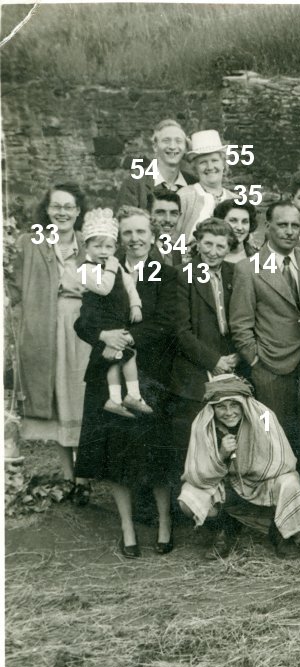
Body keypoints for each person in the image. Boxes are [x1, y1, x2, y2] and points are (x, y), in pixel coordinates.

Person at [74, 207, 180, 558]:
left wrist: (126, 338)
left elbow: (165, 321)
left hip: (150, 369)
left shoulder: (164, 274)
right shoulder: (103, 267)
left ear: (152, 236)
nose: (135, 239)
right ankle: (127, 527)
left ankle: (164, 523)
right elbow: (82, 321)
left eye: (141, 232)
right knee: (116, 451)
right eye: (129, 233)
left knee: (156, 451)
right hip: (108, 365)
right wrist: (104, 335)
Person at [7, 183, 92, 500]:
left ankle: (84, 476)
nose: (62, 213)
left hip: (83, 328)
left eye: (68, 207)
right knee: (57, 399)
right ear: (47, 210)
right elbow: (12, 287)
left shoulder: (88, 243)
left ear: (78, 211)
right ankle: (71, 479)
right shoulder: (29, 243)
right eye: (56, 207)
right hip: (46, 328)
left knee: (81, 398)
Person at [228, 201, 300, 485]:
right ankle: (275, 498)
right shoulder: (248, 269)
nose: (290, 231)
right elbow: (240, 324)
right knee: (274, 434)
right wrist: (256, 362)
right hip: (270, 364)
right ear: (268, 226)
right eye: (283, 225)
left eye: (296, 225)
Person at [178, 374, 300, 559]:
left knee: (289, 481)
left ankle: (283, 535)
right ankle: (224, 530)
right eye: (221, 406)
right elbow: (198, 472)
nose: (229, 412)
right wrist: (222, 454)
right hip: (226, 483)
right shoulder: (203, 424)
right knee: (187, 497)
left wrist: (248, 460)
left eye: (234, 404)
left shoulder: (265, 416)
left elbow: (278, 454)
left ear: (244, 402)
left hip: (261, 479)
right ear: (212, 407)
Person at [171, 217, 243, 475]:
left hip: (233, 362)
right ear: (198, 244)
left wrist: (237, 354)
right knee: (198, 441)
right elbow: (180, 331)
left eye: (220, 246)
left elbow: (244, 318)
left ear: (229, 247)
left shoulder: (235, 273)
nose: (213, 252)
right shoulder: (183, 275)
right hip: (196, 368)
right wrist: (214, 361)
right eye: (208, 244)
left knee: (232, 439)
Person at [74, 208, 154, 418]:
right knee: (117, 359)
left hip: (123, 327)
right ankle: (122, 398)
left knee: (122, 357)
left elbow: (129, 285)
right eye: (97, 246)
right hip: (103, 324)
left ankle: (124, 397)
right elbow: (103, 289)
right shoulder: (86, 269)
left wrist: (136, 305)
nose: (103, 251)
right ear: (86, 246)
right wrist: (103, 336)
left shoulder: (118, 265)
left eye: (108, 246)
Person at [117, 119, 195, 212]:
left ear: (186, 148)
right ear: (155, 147)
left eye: (178, 141)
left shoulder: (193, 183)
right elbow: (124, 221)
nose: (173, 146)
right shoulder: (134, 183)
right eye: (166, 141)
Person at [177, 129, 235, 238]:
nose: (210, 167)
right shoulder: (184, 196)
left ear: (223, 163)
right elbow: (173, 237)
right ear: (195, 168)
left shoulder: (236, 199)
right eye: (203, 162)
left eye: (214, 160)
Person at [213, 198, 258, 264]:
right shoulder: (207, 256)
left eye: (245, 222)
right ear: (220, 221)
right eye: (233, 221)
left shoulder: (258, 257)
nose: (240, 227)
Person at [148, 188, 184, 262]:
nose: (168, 219)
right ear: (148, 214)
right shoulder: (138, 249)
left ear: (179, 216)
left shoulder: (175, 251)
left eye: (174, 213)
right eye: (160, 213)